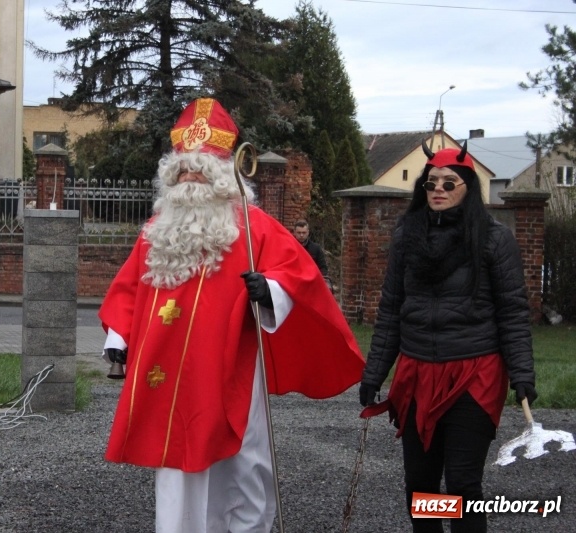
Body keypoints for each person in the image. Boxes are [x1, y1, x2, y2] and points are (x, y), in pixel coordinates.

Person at [98, 98, 365, 533]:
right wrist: (119, 339)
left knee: (245, 459)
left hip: (230, 363)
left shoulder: (253, 224)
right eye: (182, 169)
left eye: (200, 167)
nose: (190, 176)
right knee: (177, 465)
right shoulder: (156, 229)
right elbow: (129, 288)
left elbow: (299, 276)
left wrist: (270, 291)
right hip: (167, 371)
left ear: (224, 174)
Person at [358, 141, 536, 533]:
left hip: (474, 373)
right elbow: (390, 310)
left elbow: (512, 311)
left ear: (468, 188)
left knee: (462, 484)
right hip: (417, 373)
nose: (438, 189)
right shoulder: (407, 237)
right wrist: (374, 373)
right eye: (431, 182)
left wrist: (522, 374)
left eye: (448, 182)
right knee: (420, 485)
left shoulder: (493, 239)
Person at [292, 219, 332, 291]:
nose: (301, 235)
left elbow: (323, 267)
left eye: (304, 232)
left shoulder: (316, 249)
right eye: (299, 232)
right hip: (293, 283)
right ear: (294, 232)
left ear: (308, 232)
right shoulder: (290, 247)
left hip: (311, 284)